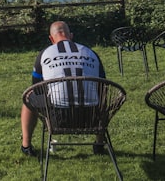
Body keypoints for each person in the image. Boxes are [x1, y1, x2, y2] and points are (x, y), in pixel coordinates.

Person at [20, 20, 106, 157]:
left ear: (51, 38)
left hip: (58, 119)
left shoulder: (44, 54)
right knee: (102, 97)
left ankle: (26, 146)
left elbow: (37, 90)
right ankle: (99, 144)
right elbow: (102, 87)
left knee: (28, 98)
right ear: (71, 35)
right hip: (91, 118)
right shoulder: (91, 53)